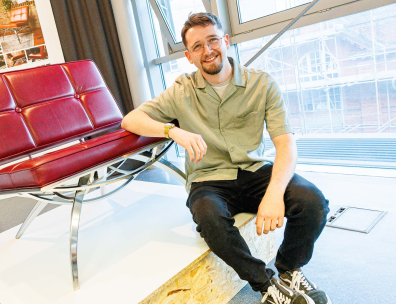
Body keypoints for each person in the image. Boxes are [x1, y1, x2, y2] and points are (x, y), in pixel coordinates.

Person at [121, 12, 331, 304]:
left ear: (226, 41)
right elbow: (131, 120)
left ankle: (289, 270)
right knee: (209, 218)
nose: (207, 50)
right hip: (208, 179)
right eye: (197, 46)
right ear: (189, 56)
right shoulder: (181, 91)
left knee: (313, 202)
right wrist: (172, 131)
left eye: (212, 40)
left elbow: (286, 146)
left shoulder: (262, 84)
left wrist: (273, 195)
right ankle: (267, 287)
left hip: (255, 171)